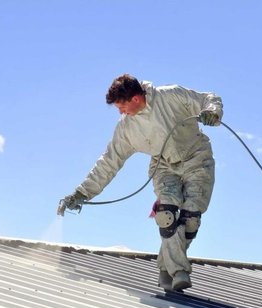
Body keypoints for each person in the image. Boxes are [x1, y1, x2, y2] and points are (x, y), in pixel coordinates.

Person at [60, 74, 223, 291]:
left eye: (122, 106)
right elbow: (109, 162)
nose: (121, 112)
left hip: (197, 158)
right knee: (166, 215)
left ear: (136, 98)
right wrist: (82, 193)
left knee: (191, 218)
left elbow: (208, 98)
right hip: (163, 165)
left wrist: (212, 112)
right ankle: (179, 271)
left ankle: (165, 267)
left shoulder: (170, 96)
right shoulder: (126, 129)